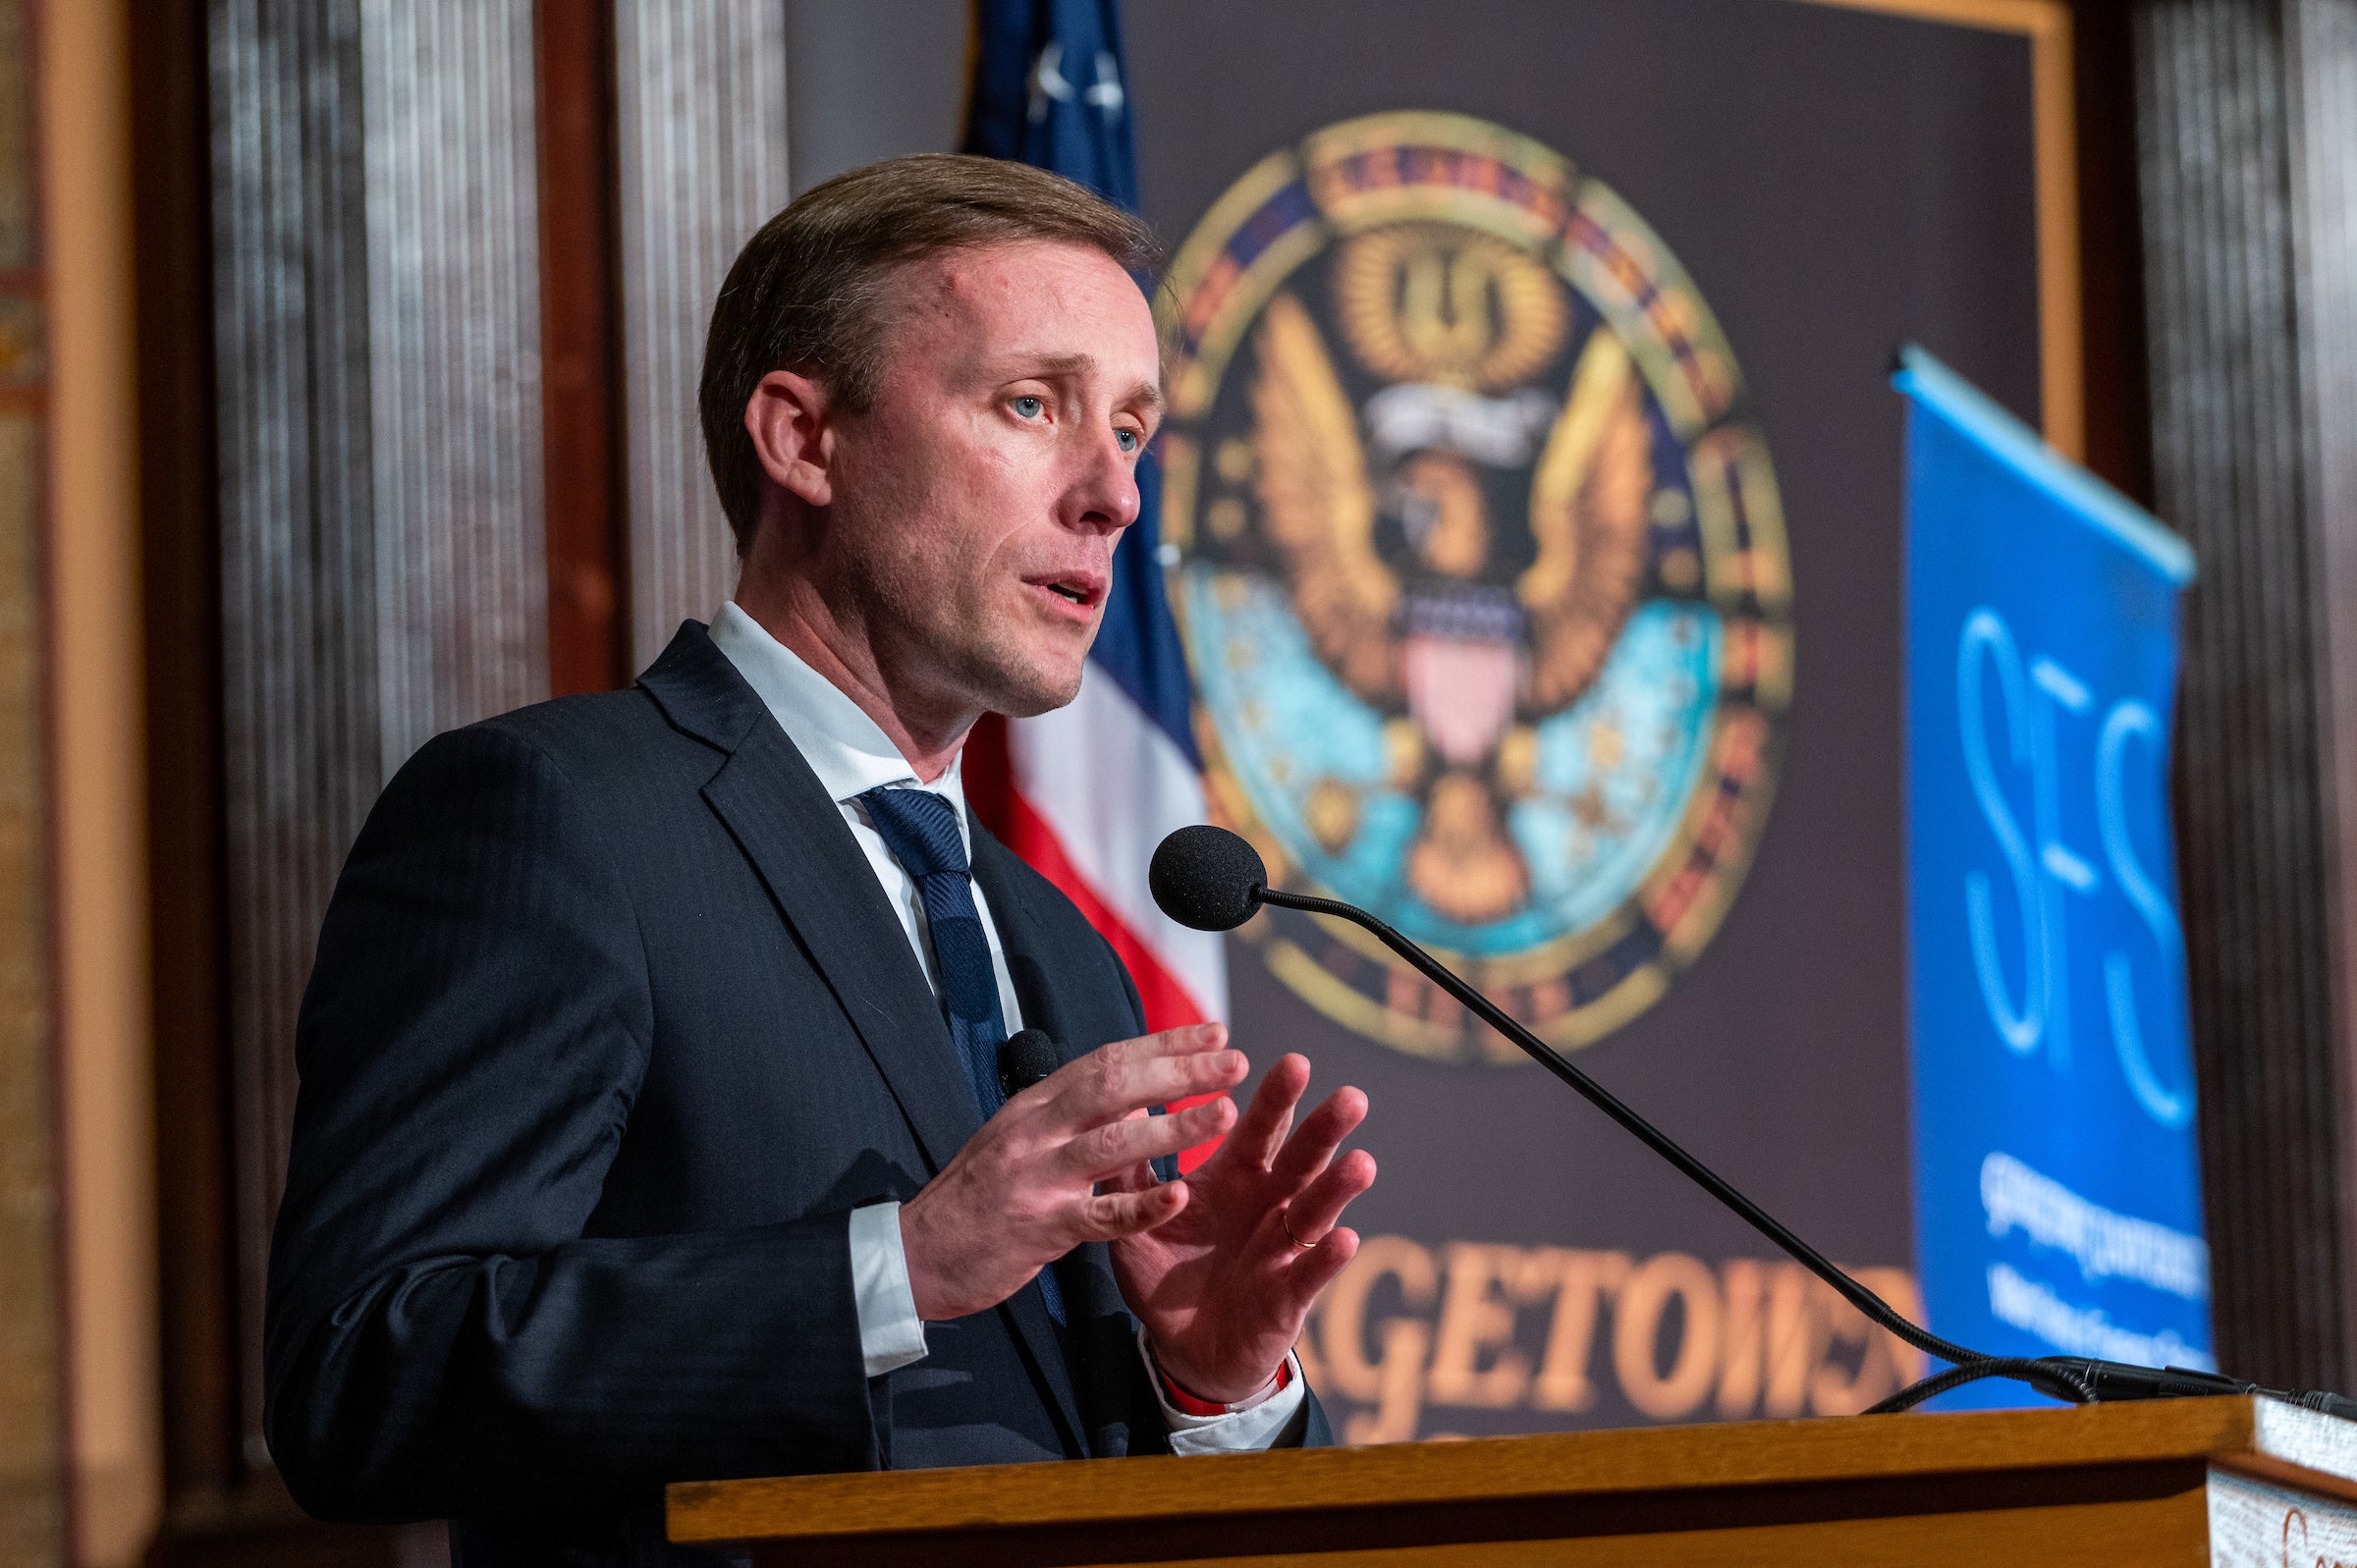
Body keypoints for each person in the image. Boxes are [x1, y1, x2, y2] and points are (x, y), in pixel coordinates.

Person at [262, 154, 1379, 1566]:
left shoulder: (1059, 943)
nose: (1114, 497)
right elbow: (361, 1376)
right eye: (1032, 405)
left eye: (1135, 431)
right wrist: (894, 1269)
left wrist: (1209, 1385)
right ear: (803, 440)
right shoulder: (559, 817)